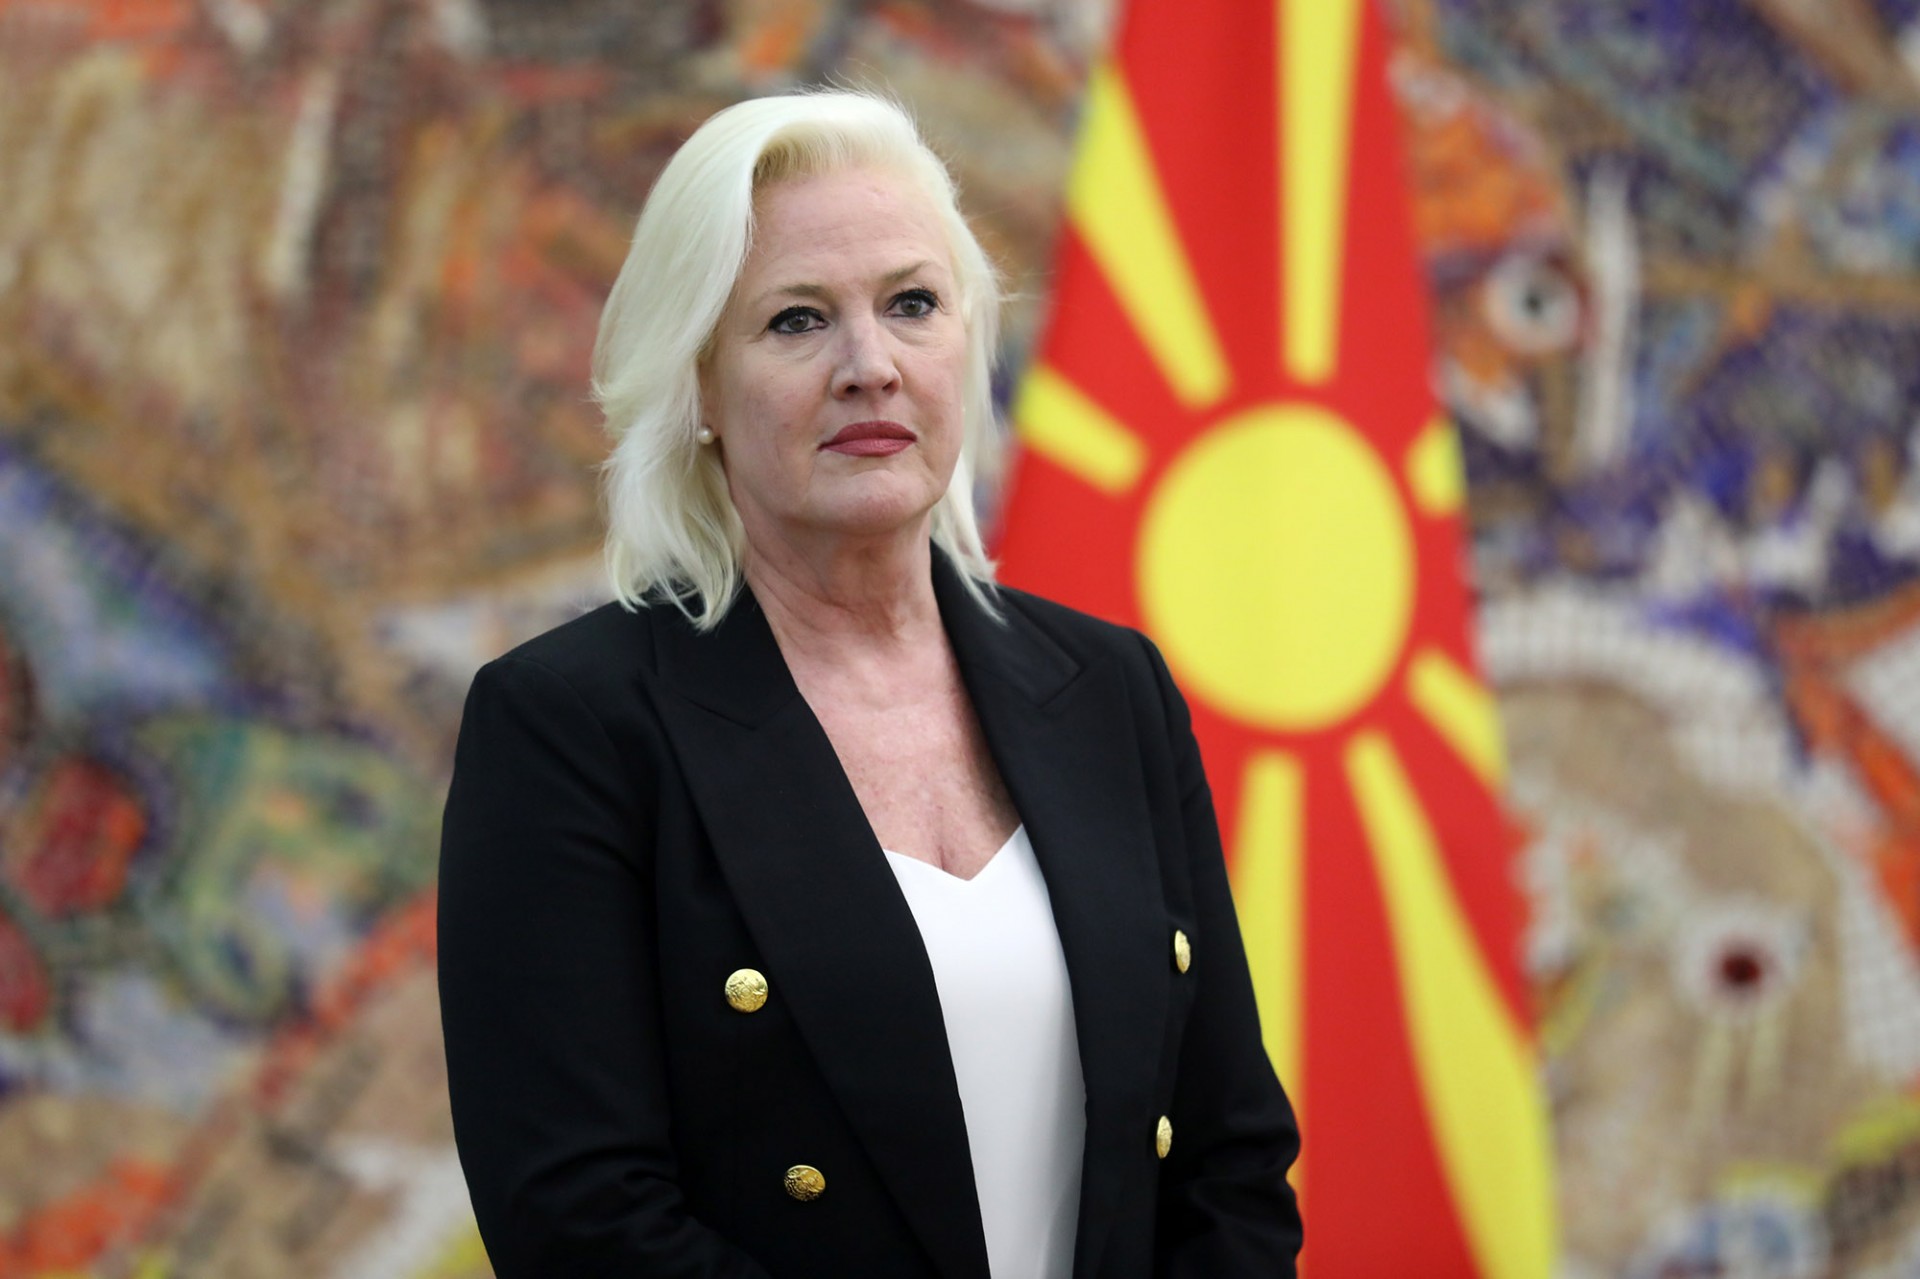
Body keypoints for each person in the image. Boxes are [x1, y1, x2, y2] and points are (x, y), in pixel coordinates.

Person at [436, 89, 1302, 1279]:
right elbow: (580, 1221)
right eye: (796, 320)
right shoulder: (569, 727)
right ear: (699, 387)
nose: (871, 367)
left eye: (912, 304)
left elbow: (1230, 1161)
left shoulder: (1111, 686)